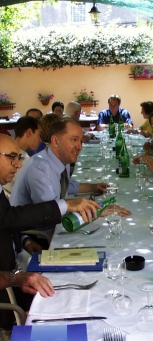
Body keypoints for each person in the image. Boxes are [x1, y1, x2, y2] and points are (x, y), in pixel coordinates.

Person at [0, 133, 103, 329]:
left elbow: (5, 220)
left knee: (86, 291)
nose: (18, 164)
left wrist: (24, 241)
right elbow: (11, 217)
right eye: (11, 157)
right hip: (8, 301)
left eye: (18, 157)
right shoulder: (39, 166)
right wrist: (15, 278)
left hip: (20, 267)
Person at [10, 119, 131, 237]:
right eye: (74, 140)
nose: (80, 146)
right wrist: (96, 211)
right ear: (56, 141)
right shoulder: (39, 168)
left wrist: (93, 187)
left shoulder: (62, 159)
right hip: (34, 235)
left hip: (54, 226)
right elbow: (50, 210)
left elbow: (68, 185)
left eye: (80, 141)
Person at [3, 116, 42, 198]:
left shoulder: (27, 158)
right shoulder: (6, 153)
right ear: (29, 133)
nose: (40, 140)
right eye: (39, 135)